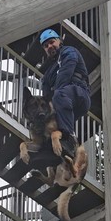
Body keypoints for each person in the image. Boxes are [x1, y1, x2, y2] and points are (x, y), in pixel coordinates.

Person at [39, 28, 91, 157]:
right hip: (65, 102)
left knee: (58, 95)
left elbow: (66, 73)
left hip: (79, 94)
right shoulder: (48, 73)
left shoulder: (69, 52)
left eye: (52, 42)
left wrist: (53, 99)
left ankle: (69, 138)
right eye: (46, 46)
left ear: (59, 41)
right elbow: (45, 93)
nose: (49, 46)